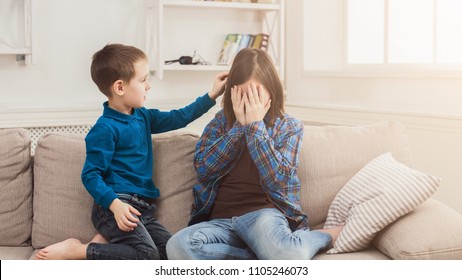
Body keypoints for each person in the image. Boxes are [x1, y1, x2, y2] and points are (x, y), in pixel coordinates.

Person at [34, 43, 228, 260]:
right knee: (147, 256)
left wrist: (212, 95)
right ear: (120, 87)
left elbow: (179, 117)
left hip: (141, 210)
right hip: (112, 207)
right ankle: (79, 250)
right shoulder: (104, 129)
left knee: (171, 251)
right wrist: (115, 206)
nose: (148, 86)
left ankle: (103, 241)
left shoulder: (143, 116)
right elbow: (90, 175)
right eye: (143, 79)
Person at [166, 48, 343, 260]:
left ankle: (322, 237)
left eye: (256, 94)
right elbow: (204, 170)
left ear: (272, 91)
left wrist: (255, 126)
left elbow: (280, 180)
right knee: (178, 246)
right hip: (221, 223)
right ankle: (258, 256)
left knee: (288, 254)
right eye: (242, 94)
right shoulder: (219, 124)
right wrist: (239, 128)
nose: (249, 101)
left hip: (264, 218)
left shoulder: (288, 127)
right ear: (231, 92)